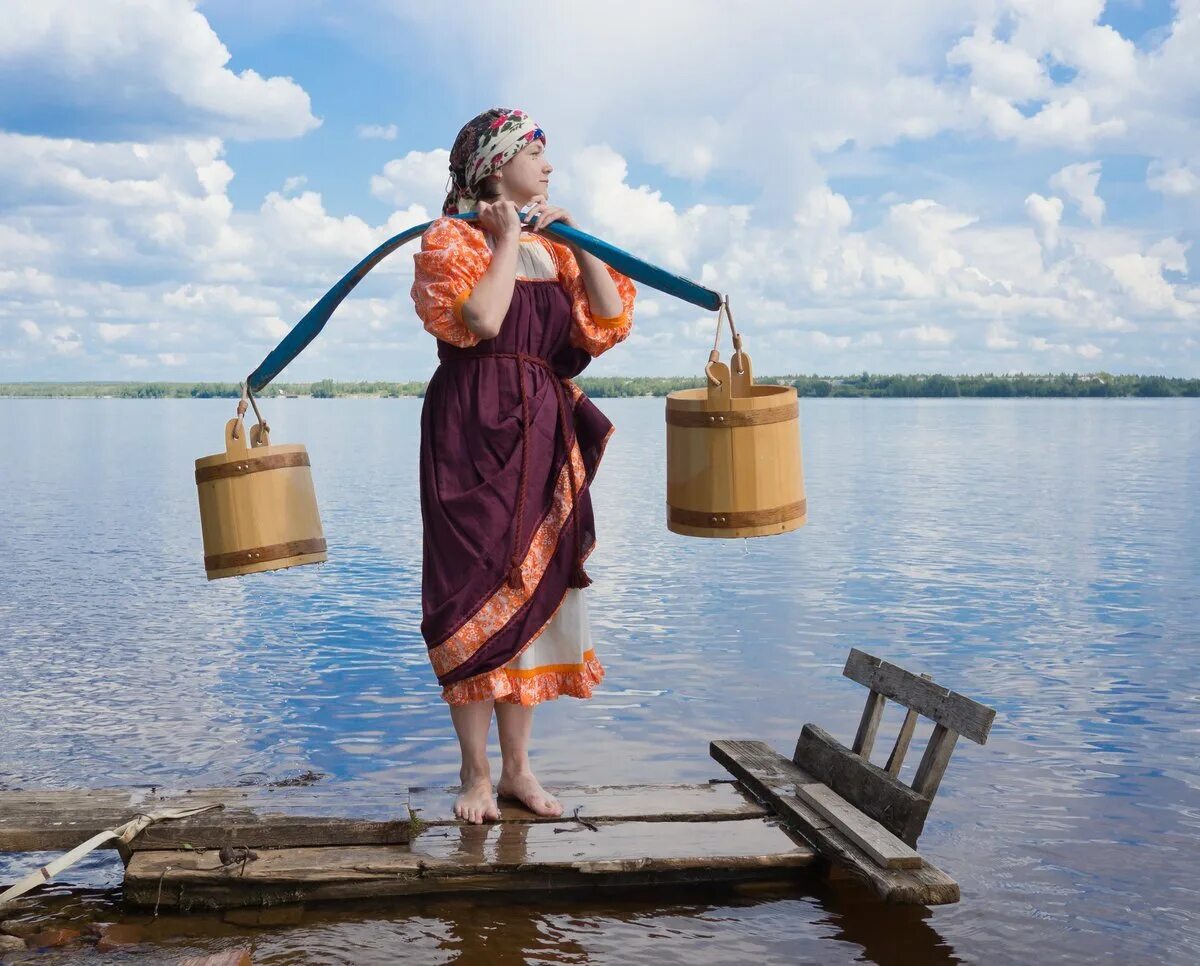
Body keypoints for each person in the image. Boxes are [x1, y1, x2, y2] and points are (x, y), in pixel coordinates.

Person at [411, 108, 636, 824]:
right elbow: (479, 321)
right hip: (471, 429)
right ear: (494, 164)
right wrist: (506, 238)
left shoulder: (559, 247)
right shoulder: (453, 239)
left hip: (541, 429)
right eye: (535, 154)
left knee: (533, 595)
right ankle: (474, 775)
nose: (547, 166)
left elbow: (608, 322)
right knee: (472, 591)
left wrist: (583, 243)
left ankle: (518, 772)